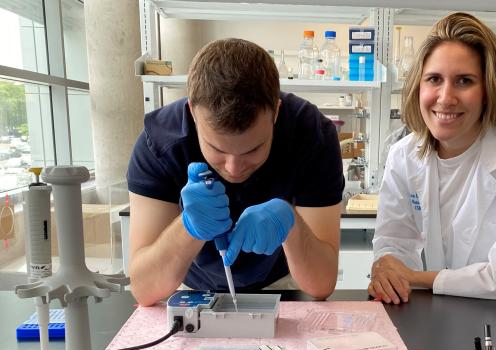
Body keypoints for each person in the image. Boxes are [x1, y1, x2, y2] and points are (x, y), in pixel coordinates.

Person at [127, 38, 344, 306]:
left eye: (253, 150)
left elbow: (321, 285)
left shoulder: (312, 134)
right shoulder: (159, 143)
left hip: (280, 283)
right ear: (193, 112)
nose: (234, 168)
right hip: (188, 286)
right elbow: (144, 290)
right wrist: (188, 229)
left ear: (276, 112)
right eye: (217, 149)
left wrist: (292, 226)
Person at [368, 12, 496, 303]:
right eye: (434, 79)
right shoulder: (404, 155)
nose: (445, 97)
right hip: (440, 311)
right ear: (418, 87)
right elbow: (393, 243)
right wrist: (387, 270)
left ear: (488, 89)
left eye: (464, 81)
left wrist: (418, 278)